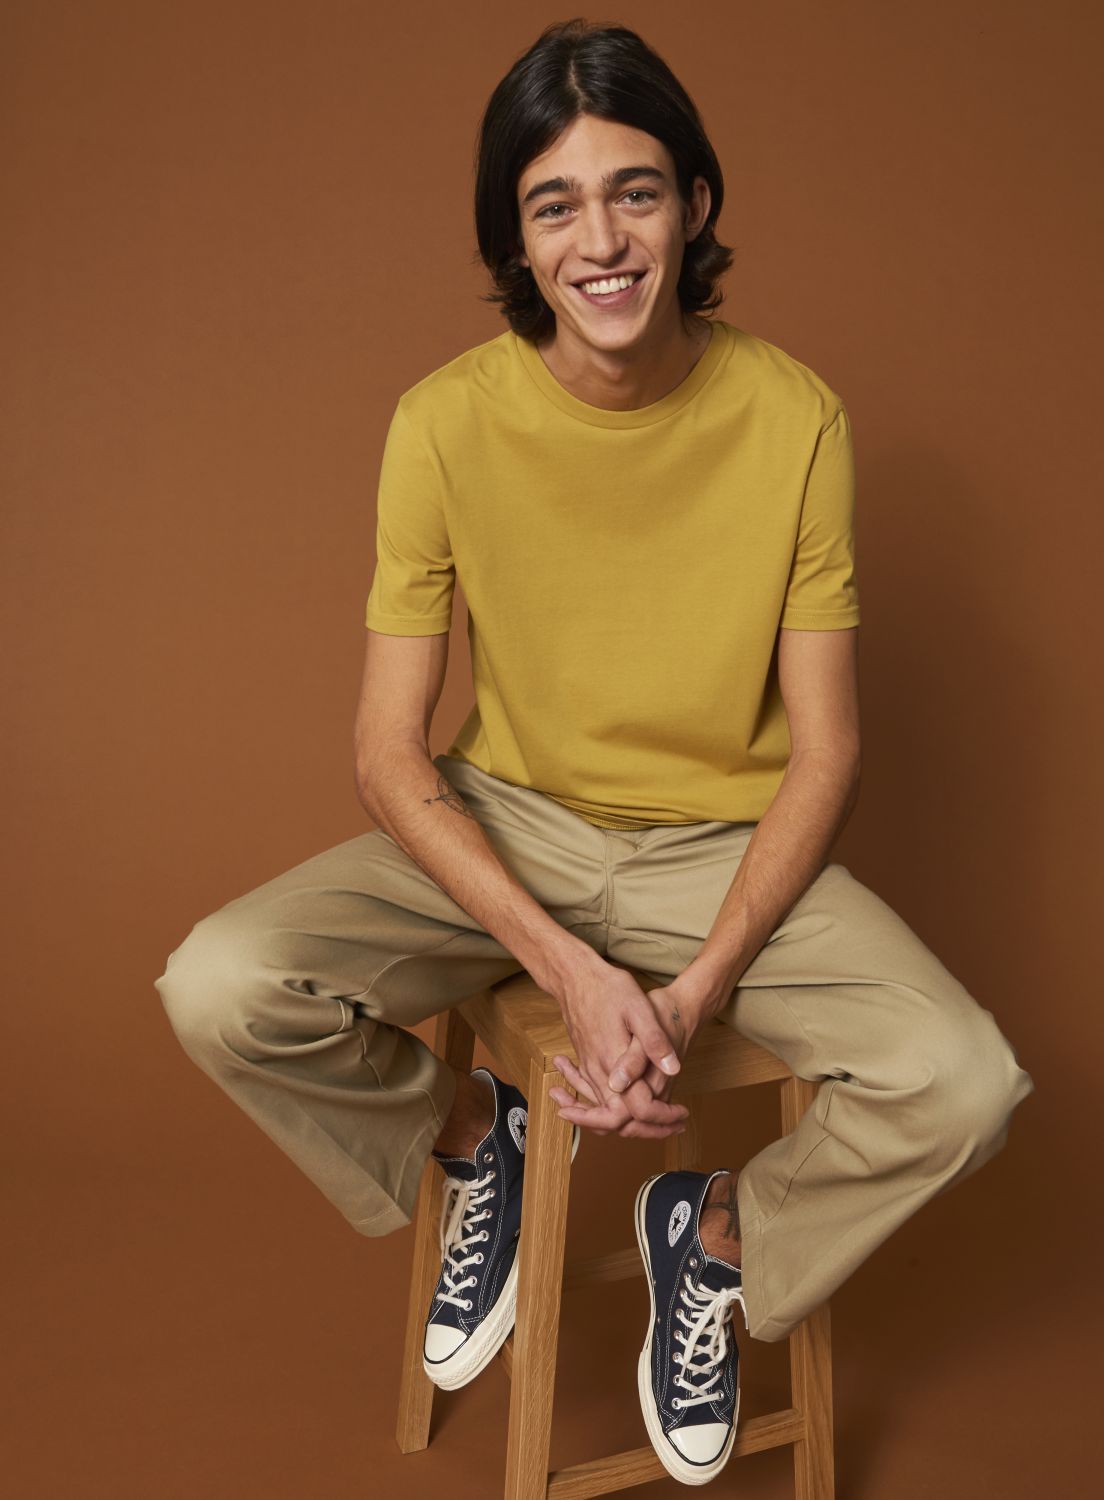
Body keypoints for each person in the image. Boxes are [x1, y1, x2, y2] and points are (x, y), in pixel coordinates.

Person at [155, 17, 1035, 1488]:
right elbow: (386, 754)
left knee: (966, 1081)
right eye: (553, 205)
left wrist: (693, 989)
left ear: (695, 202)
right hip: (511, 824)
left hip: (726, 851)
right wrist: (566, 967)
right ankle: (469, 1141)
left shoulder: (797, 418)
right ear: (516, 239)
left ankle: (718, 1237)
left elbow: (827, 754)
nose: (601, 241)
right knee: (221, 984)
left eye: (635, 191)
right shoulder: (442, 424)